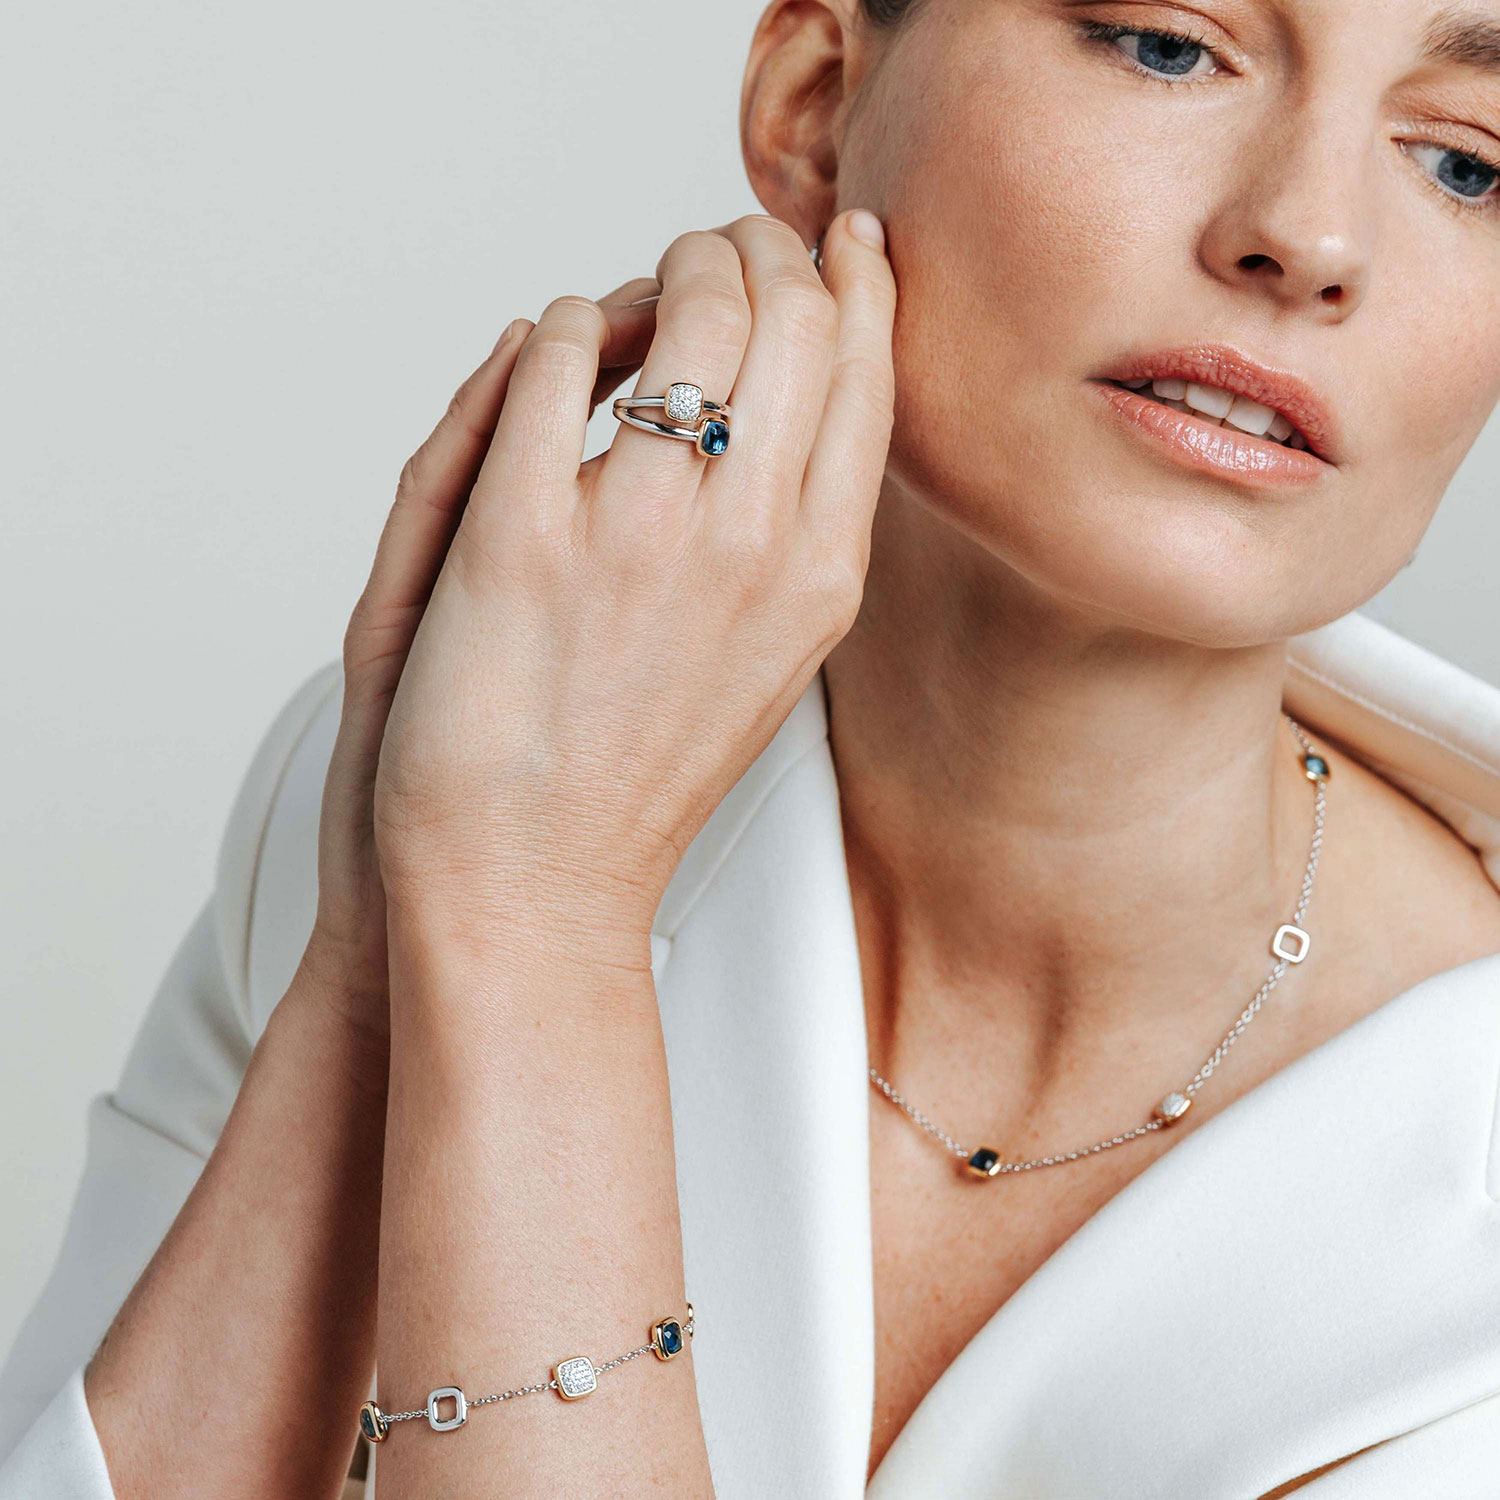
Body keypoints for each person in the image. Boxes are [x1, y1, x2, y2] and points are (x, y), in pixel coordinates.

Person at [5, 0, 1500, 1494]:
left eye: (1469, 164)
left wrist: (538, 936)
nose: (1311, 237)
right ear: (815, 104)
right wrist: (389, 970)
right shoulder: (445, 788)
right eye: (1167, 45)